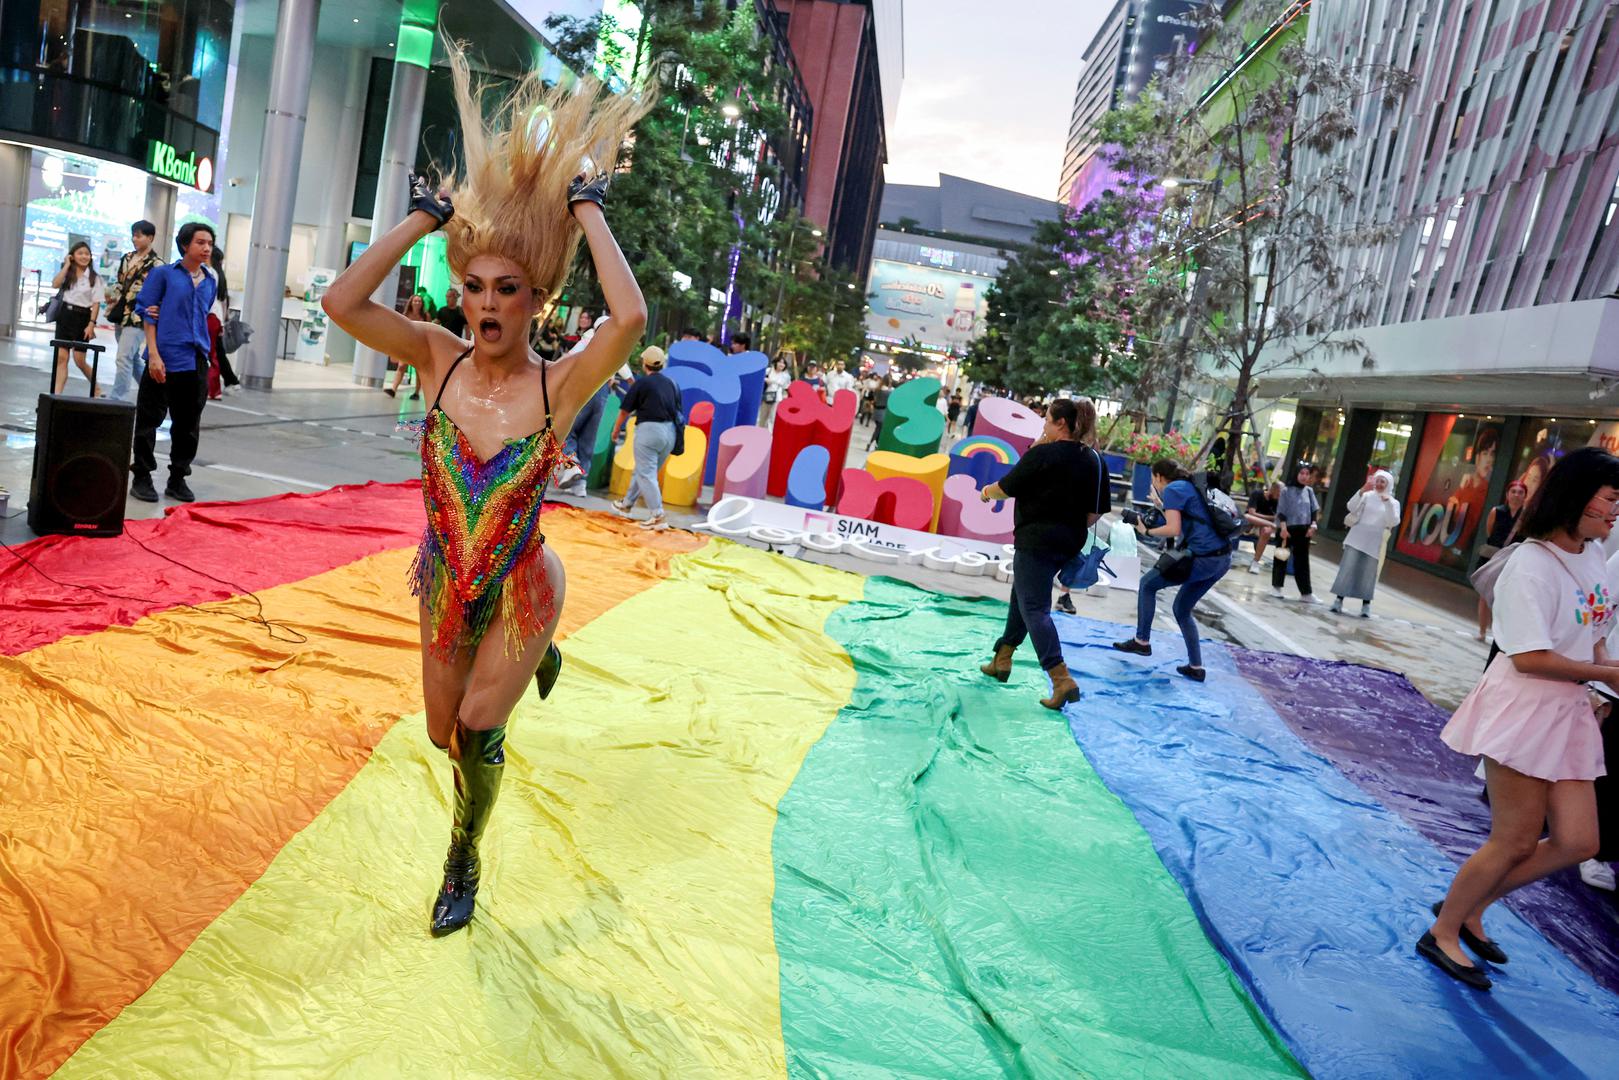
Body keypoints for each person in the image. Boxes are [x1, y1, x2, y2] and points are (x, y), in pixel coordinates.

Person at [320, 46, 646, 937]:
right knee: (435, 732)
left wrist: (587, 206)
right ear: (459, 292)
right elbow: (342, 304)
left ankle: (462, 855)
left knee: (471, 727)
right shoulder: (433, 354)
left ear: (536, 299)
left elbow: (630, 321)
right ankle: (530, 666)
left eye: (508, 289)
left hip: (523, 585)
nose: (487, 303)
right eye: (475, 287)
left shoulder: (561, 385)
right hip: (444, 581)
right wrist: (424, 219)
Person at [1424, 447, 1619, 991]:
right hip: (1525, 706)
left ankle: (1471, 905)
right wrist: (1605, 675)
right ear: (1576, 497)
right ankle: (1443, 929)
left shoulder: (1589, 555)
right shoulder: (1530, 564)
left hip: (1569, 708)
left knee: (1580, 840)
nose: (1616, 512)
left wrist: (1605, 674)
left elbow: (1595, 632)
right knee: (1514, 837)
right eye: (1610, 499)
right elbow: (1528, 657)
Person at [976, 398, 1109, 709]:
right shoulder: (1093, 459)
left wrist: (985, 493)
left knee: (1034, 608)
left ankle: (1061, 679)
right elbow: (1096, 511)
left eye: (1047, 420)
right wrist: (1069, 527)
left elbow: (1006, 487)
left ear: (1060, 423)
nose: (1044, 425)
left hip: (1035, 539)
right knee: (1022, 595)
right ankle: (1003, 658)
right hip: (1068, 541)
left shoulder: (1042, 455)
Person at [1112, 460, 1234, 682]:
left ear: (1159, 476)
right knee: (1181, 608)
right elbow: (1189, 516)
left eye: (1152, 478)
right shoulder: (1187, 486)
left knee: (1147, 584)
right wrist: (1161, 506)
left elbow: (1173, 529)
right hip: (1223, 558)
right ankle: (1196, 667)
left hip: (1204, 558)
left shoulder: (1174, 489)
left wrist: (1146, 530)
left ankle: (1142, 642)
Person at [130, 223, 217, 503]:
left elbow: (201, 315)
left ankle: (177, 478)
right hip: (164, 357)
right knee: (148, 420)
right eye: (200, 242)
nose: (206, 248)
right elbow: (147, 311)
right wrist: (153, 354)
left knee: (188, 424)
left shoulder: (210, 281)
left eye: (210, 244)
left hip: (195, 359)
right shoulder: (164, 274)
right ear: (185, 245)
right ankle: (141, 476)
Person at [611, 346, 680, 530]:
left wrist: (616, 430)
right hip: (669, 433)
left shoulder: (642, 383)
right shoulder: (671, 383)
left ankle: (658, 515)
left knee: (645, 473)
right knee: (646, 472)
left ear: (644, 363)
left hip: (649, 430)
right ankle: (626, 504)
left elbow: (625, 411)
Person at [1330, 470, 1401, 616]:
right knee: (1347, 569)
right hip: (1355, 539)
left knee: (1368, 574)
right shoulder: (1367, 495)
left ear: (1389, 484)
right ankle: (1338, 600)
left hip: (1374, 544)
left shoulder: (1393, 502)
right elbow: (1351, 506)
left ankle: (1366, 605)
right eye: (1378, 480)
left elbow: (1393, 521)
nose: (1380, 484)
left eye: (1383, 482)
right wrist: (1362, 490)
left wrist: (1387, 504)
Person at [107, 220, 162, 402]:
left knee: (123, 357)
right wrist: (111, 295)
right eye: (133, 235)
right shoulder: (127, 258)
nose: (134, 239)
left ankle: (118, 399)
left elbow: (158, 292)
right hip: (121, 313)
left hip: (139, 316)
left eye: (139, 235)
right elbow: (120, 283)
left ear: (150, 238)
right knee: (133, 358)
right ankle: (154, 392)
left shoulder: (157, 265)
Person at [557, 314, 611, 496]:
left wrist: (550, 371)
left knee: (565, 430)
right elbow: (624, 370)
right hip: (603, 391)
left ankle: (572, 466)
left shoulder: (589, 340)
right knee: (588, 438)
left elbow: (568, 358)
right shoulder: (616, 344)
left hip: (585, 387)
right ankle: (581, 485)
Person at [50, 240, 105, 394]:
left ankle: (96, 387)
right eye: (80, 253)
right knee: (62, 358)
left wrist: (91, 324)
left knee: (79, 360)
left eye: (87, 254)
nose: (84, 256)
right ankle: (57, 394)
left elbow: (96, 303)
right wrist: (66, 265)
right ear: (72, 256)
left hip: (83, 318)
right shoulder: (68, 273)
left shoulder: (95, 278)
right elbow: (55, 284)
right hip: (65, 316)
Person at [1476, 480, 1529, 640]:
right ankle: (1482, 631)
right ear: (1507, 494)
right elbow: (1489, 531)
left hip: (1513, 560)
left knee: (1505, 596)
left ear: (1525, 496)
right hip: (1493, 557)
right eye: (1513, 491)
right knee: (1485, 594)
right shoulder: (1497, 511)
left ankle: (1498, 632)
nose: (1516, 495)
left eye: (1520, 492)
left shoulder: (1526, 517)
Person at [1270, 463, 1321, 603]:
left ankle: (1306, 593)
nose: (1304, 476)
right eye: (1302, 473)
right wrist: (1283, 528)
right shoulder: (1286, 490)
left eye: (1307, 474)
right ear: (1296, 474)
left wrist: (1313, 525)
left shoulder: (1309, 491)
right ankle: (1276, 587)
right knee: (1281, 557)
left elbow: (1314, 510)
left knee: (1302, 562)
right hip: (1286, 529)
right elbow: (1281, 511)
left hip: (1304, 530)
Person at [385, 295, 434, 399]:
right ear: (411, 302)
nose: (417, 303)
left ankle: (416, 392)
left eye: (419, 301)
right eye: (415, 301)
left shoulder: (426, 316)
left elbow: (430, 331)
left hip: (420, 346)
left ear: (422, 303)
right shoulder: (405, 315)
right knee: (401, 366)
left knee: (418, 370)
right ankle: (393, 389)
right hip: (407, 345)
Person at [1243, 480, 1282, 573]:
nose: (1280, 496)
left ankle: (1255, 562)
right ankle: (1268, 524)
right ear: (1272, 489)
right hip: (1252, 523)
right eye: (1279, 493)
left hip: (1264, 525)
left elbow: (1278, 518)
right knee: (1247, 517)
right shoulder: (1257, 493)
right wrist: (1271, 518)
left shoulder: (1278, 501)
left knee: (1267, 531)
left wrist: (1265, 520)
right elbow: (1251, 513)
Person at [762, 356, 791, 426]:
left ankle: (769, 434)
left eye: (783, 363)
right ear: (775, 363)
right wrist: (765, 380)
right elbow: (760, 378)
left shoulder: (786, 375)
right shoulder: (768, 370)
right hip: (766, 395)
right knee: (763, 416)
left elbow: (786, 386)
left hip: (777, 398)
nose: (782, 364)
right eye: (780, 362)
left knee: (772, 418)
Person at [868, 376, 892, 450]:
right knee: (878, 429)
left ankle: (876, 445)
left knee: (879, 428)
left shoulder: (877, 390)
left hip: (876, 411)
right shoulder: (889, 392)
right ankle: (871, 443)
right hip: (883, 412)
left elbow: (873, 399)